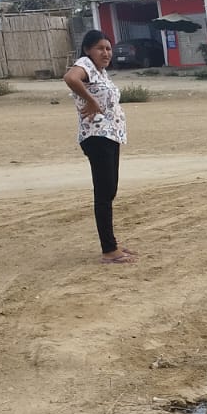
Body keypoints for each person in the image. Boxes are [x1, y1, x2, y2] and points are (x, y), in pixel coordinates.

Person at [63, 29, 135, 263]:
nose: (106, 53)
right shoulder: (85, 65)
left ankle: (111, 243)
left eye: (108, 48)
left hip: (110, 136)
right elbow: (70, 78)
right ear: (87, 50)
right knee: (104, 193)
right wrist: (91, 100)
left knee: (109, 190)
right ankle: (109, 249)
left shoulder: (100, 73)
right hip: (97, 137)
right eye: (100, 48)